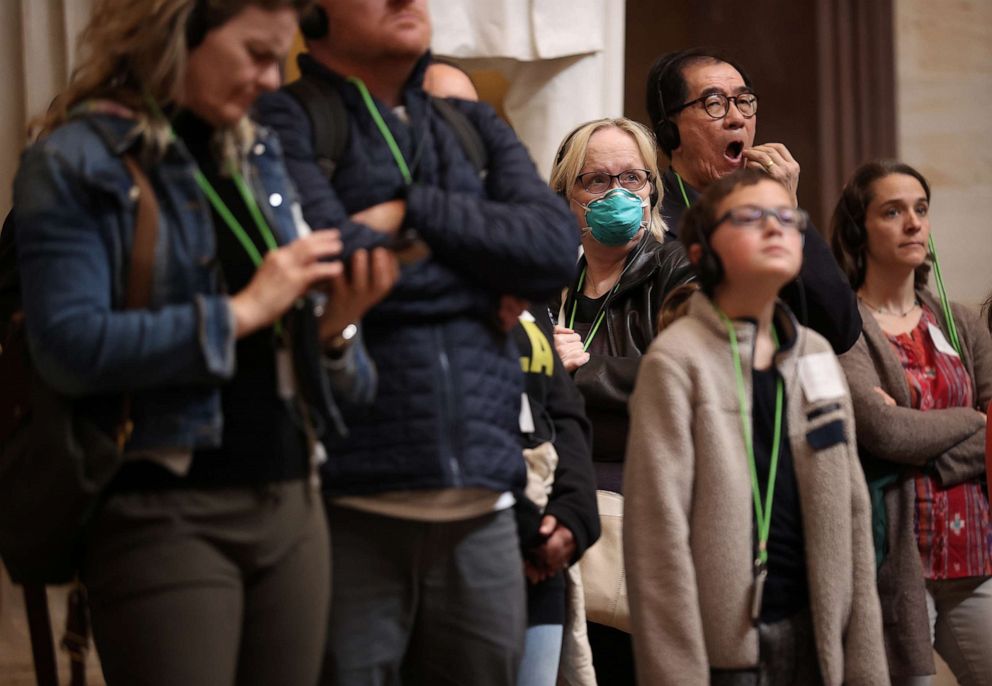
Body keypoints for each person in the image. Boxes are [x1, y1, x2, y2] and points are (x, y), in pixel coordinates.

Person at [10, 1, 401, 684]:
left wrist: (337, 326)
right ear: (173, 37)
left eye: (278, 59)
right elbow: (69, 348)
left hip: (292, 498)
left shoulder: (259, 152)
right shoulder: (75, 159)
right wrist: (243, 311)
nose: (272, 80)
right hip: (163, 510)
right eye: (254, 54)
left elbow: (339, 374)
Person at [254, 1, 579, 683]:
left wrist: (412, 212)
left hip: (485, 500)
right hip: (347, 497)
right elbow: (325, 261)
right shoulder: (287, 117)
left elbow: (552, 252)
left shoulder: (472, 124)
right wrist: (482, 272)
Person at [624, 168, 888, 686]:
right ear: (701, 253)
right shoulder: (678, 361)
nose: (775, 228)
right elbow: (657, 543)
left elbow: (854, 515)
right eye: (750, 217)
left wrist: (865, 665)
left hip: (819, 635)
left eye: (786, 217)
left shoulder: (814, 353)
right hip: (729, 651)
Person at [420, 57, 600, 686]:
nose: (464, 131)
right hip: (466, 531)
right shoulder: (403, 261)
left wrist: (575, 513)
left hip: (539, 546)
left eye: (476, 115)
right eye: (445, 112)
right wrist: (525, 525)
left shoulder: (514, 264)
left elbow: (559, 407)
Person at [831, 160, 992, 685]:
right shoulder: (847, 329)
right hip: (898, 559)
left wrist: (915, 432)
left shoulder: (960, 321)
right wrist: (969, 419)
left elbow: (984, 431)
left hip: (976, 551)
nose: (913, 223)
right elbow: (881, 434)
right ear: (860, 228)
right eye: (893, 211)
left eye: (921, 210)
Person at [547, 116, 693, 684]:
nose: (618, 194)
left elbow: (687, 373)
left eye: (632, 179)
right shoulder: (553, 279)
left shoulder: (679, 269)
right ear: (568, 194)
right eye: (598, 180)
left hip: (644, 513)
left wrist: (581, 371)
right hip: (558, 506)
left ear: (653, 189)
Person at [645, 47, 861, 354]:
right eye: (714, 104)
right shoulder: (648, 214)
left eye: (744, 102)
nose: (736, 119)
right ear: (670, 132)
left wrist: (787, 210)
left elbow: (840, 329)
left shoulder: (773, 214)